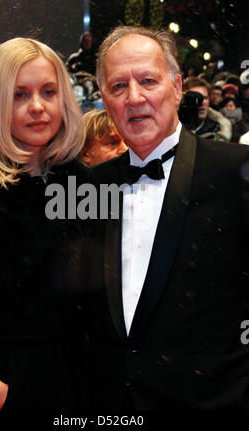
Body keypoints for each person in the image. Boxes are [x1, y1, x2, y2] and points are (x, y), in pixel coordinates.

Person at [87, 25, 249, 411]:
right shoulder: (89, 187)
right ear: (104, 100)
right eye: (118, 87)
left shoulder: (236, 170)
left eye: (148, 80)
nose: (135, 97)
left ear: (177, 88)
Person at [0, 37, 88, 411]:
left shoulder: (80, 182)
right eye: (19, 95)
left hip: (76, 386)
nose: (38, 107)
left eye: (48, 91)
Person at [182, 77, 231, 141]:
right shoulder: (172, 129)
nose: (202, 102)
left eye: (205, 98)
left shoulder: (217, 131)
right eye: (196, 98)